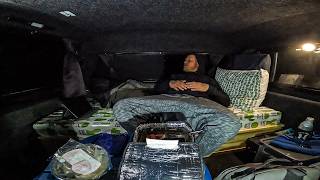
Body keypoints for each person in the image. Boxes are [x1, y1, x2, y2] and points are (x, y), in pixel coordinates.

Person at [154, 53, 230, 106]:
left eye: (189, 60)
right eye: (185, 60)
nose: (185, 62)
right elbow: (156, 91)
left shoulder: (207, 80)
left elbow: (225, 101)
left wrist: (207, 88)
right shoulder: (174, 76)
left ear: (197, 64)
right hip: (173, 105)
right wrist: (170, 83)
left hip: (199, 107)